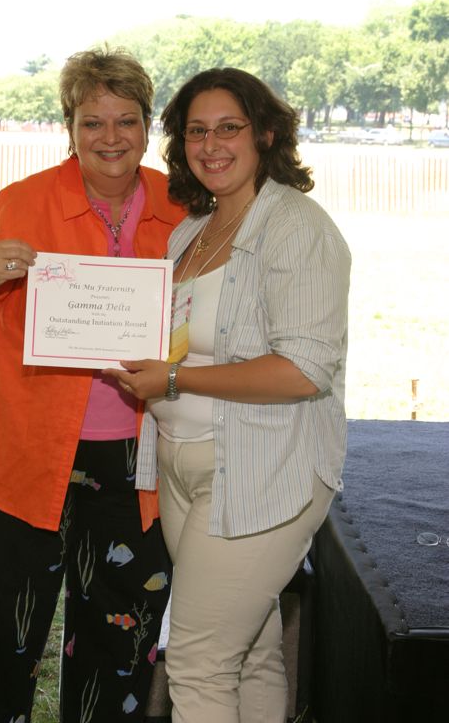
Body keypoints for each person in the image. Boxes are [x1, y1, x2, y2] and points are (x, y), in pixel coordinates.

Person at [0, 48, 185, 722]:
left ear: (147, 125)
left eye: (125, 120)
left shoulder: (180, 207)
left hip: (137, 463)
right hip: (16, 455)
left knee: (118, 640)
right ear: (68, 126)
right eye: (91, 121)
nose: (109, 138)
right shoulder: (23, 202)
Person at [104, 67, 351, 723]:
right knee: (251, 652)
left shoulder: (295, 227)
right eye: (195, 132)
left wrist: (174, 379)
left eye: (228, 128)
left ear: (265, 133)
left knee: (196, 659)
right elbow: (179, 340)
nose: (211, 144)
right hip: (184, 467)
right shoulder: (192, 231)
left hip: (261, 471)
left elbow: (303, 371)